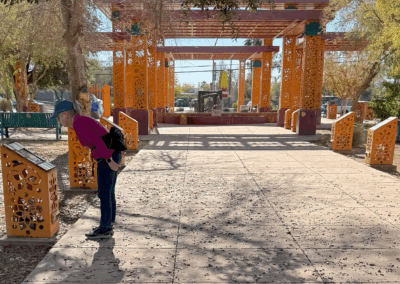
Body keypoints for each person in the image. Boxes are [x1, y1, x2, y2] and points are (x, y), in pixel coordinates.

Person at [50, 100, 122, 239]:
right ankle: (108, 223)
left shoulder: (78, 122)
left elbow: (97, 141)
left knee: (104, 193)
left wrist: (109, 160)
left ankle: (105, 228)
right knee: (108, 192)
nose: (59, 121)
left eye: (58, 117)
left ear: (65, 114)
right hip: (110, 154)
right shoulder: (80, 120)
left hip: (107, 156)